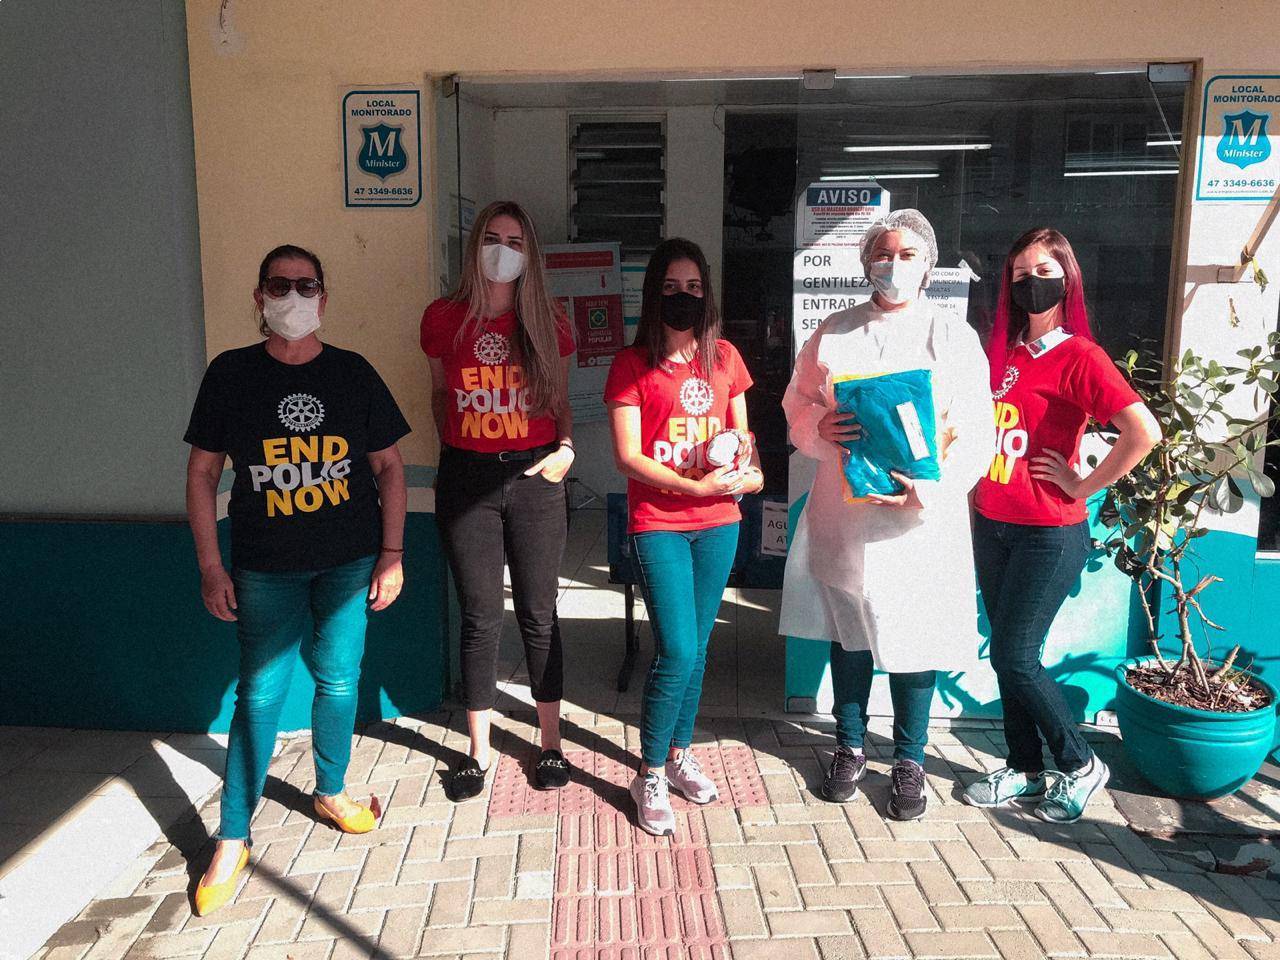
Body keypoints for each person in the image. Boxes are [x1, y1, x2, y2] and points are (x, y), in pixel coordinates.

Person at [185, 244, 409, 915]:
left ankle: (330, 791)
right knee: (258, 695)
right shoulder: (231, 375)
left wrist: (392, 553)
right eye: (279, 285)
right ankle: (232, 835)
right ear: (259, 297)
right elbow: (202, 475)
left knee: (339, 681)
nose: (292, 296)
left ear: (323, 298)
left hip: (348, 562)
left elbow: (389, 468)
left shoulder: (353, 373)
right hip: (264, 567)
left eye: (305, 285)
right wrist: (210, 566)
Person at [779, 210, 994, 821]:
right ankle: (848, 746)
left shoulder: (952, 336)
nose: (893, 265)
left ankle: (909, 760)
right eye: (883, 253)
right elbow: (797, 403)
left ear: (928, 265)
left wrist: (927, 492)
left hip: (917, 520)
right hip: (846, 513)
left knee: (912, 638)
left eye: (907, 254)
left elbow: (977, 432)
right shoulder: (834, 331)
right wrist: (817, 426)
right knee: (850, 634)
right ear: (866, 262)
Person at [964, 227, 1159, 823]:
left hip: (1047, 533)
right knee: (1007, 658)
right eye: (1020, 275)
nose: (1031, 283)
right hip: (992, 524)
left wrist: (1082, 485)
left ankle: (1080, 762)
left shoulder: (1081, 356)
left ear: (1067, 278)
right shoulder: (1002, 352)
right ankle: (1024, 768)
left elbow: (1143, 432)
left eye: (1043, 272)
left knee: (1016, 654)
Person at [605, 238, 763, 836]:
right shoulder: (631, 364)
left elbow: (745, 446)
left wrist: (749, 474)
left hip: (719, 523)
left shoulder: (726, 359)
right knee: (674, 649)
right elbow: (627, 457)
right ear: (654, 293)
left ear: (707, 293)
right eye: (671, 287)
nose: (684, 297)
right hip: (659, 523)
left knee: (697, 649)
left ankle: (678, 754)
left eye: (694, 287)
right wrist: (692, 486)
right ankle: (648, 772)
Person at [420, 201, 576, 801]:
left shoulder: (547, 321)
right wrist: (458, 448)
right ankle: (478, 751)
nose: (502, 250)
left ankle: (551, 743)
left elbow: (560, 401)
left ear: (529, 253)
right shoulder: (443, 317)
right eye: (492, 237)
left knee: (539, 611)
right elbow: (439, 393)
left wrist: (565, 449)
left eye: (515, 241)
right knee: (480, 615)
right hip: (468, 477)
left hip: (537, 475)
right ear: (474, 244)